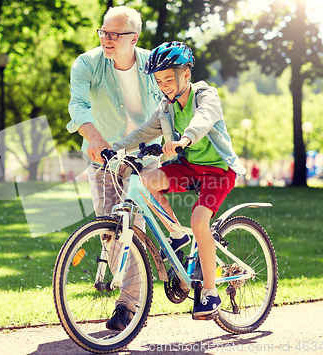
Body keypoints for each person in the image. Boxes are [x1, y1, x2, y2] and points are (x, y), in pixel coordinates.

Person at [112, 41, 246, 318]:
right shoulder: (166, 108)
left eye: (169, 79)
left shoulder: (205, 95)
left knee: (199, 221)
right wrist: (114, 149)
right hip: (189, 167)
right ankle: (176, 235)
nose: (164, 85)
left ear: (186, 74)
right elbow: (143, 133)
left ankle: (210, 294)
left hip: (218, 171)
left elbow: (204, 118)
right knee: (144, 180)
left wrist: (185, 139)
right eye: (159, 81)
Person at [66, 6, 162, 331]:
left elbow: (173, 102)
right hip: (103, 158)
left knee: (135, 229)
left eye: (114, 34)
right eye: (103, 31)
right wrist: (94, 136)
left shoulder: (154, 64)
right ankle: (144, 290)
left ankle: (129, 306)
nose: (106, 39)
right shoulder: (87, 64)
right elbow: (77, 105)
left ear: (133, 38)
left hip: (145, 158)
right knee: (110, 229)